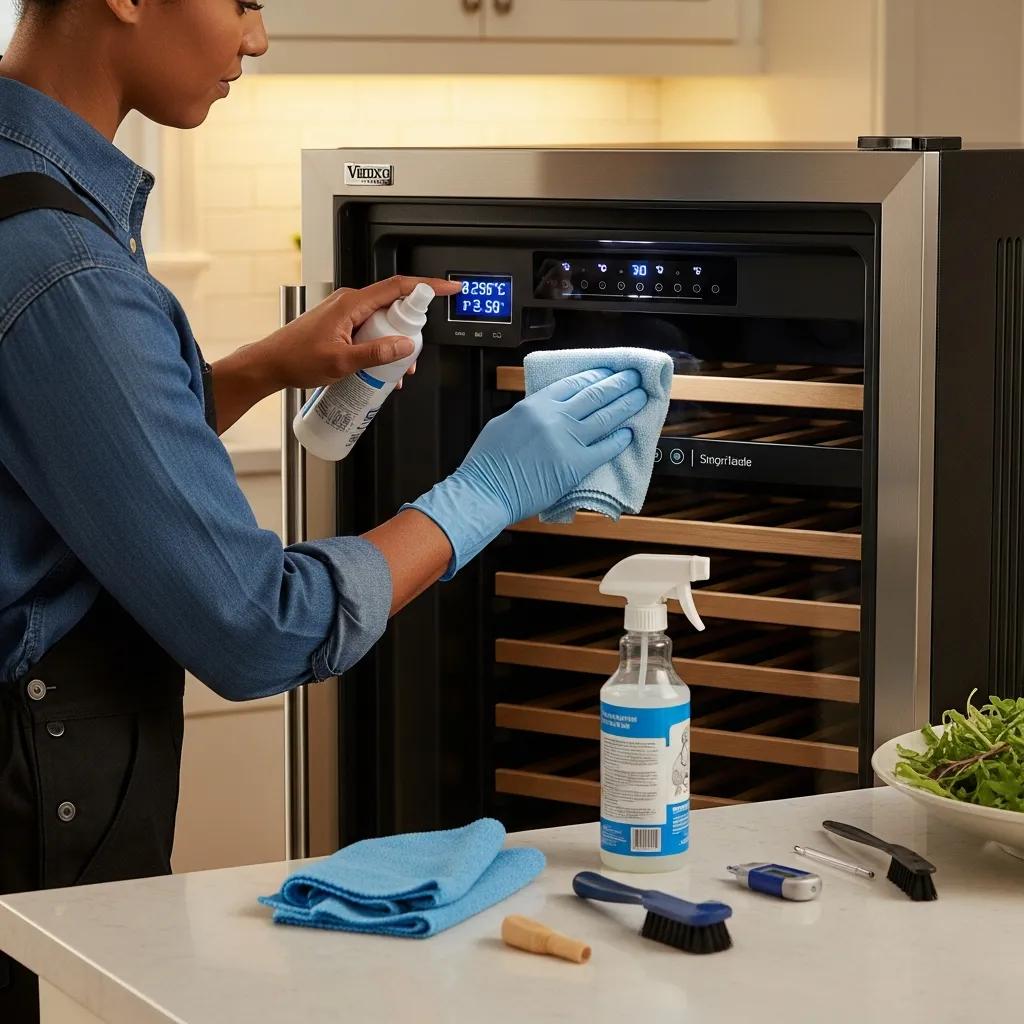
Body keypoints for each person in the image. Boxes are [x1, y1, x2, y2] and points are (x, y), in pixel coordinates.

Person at [0, 1, 648, 1019]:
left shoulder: (27, 208)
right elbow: (258, 627)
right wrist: (486, 492)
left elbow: (51, 455)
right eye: (244, 1)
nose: (256, 39)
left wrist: (259, 369)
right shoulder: (64, 264)